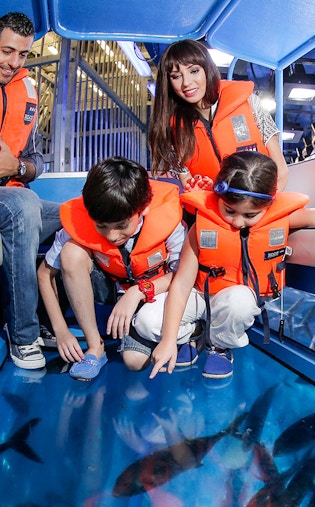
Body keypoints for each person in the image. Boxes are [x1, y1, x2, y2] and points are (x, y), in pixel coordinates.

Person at [137, 151, 315, 381]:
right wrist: (170, 339)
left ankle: (218, 345)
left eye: (250, 215)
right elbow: (181, 285)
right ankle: (192, 334)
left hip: (233, 301)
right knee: (146, 323)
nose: (238, 222)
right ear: (218, 195)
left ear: (270, 204)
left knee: (238, 302)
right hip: (199, 296)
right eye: (229, 211)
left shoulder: (280, 218)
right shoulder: (200, 227)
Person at [58, 156, 187, 380]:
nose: (112, 235)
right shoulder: (86, 219)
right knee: (71, 251)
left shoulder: (171, 224)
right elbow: (44, 275)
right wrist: (61, 330)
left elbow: (184, 276)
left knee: (134, 361)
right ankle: (95, 348)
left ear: (144, 208)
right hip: (112, 292)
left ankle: (190, 333)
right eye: (102, 226)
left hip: (157, 294)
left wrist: (137, 292)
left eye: (122, 225)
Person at [148, 39, 288, 197]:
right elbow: (190, 187)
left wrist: (258, 210)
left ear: (207, 69)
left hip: (262, 205)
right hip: (214, 214)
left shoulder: (250, 102)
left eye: (194, 71)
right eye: (176, 76)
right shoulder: (172, 132)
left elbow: (281, 170)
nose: (186, 83)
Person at [0, 12, 61, 369]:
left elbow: (37, 162)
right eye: (6, 51)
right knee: (23, 204)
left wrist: (17, 168)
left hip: (12, 195)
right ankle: (23, 335)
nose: (13, 62)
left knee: (78, 214)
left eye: (21, 55)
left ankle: (71, 322)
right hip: (16, 201)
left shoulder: (28, 92)